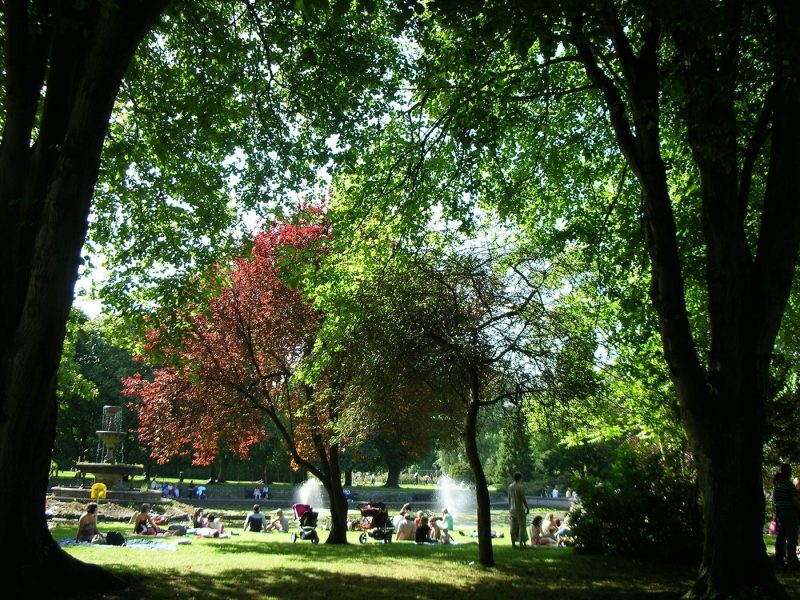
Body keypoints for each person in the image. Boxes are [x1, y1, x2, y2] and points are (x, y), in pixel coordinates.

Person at [773, 464, 800, 570]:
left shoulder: (778, 484)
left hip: (781, 513)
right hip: (790, 513)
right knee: (792, 537)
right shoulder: (789, 485)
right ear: (789, 472)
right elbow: (795, 501)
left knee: (781, 536)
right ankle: (792, 562)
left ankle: (779, 559)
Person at [508, 471, 530, 549]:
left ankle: (513, 544)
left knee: (512, 527)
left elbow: (509, 498)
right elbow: (523, 499)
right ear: (520, 478)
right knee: (522, 526)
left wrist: (510, 507)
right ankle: (521, 544)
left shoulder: (510, 486)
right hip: (520, 509)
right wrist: (527, 507)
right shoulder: (521, 487)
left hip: (512, 509)